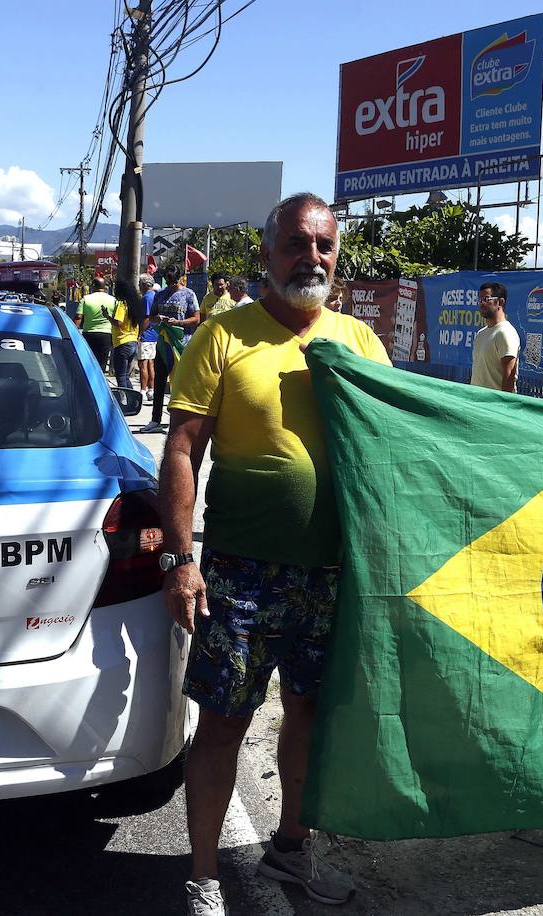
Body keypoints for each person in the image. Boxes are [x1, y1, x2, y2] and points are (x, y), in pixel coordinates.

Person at [163, 192, 389, 915]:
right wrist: (181, 559)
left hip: (333, 573)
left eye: (323, 245)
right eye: (296, 244)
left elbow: (394, 451)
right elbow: (181, 451)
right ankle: (203, 877)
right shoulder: (223, 337)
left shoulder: (360, 343)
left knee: (312, 714)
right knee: (225, 722)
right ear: (267, 255)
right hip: (241, 572)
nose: (311, 258)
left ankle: (291, 851)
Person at [138, 267, 200, 434]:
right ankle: (155, 419)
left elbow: (196, 319)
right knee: (159, 382)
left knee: (180, 385)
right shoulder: (160, 294)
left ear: (180, 278)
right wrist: (156, 319)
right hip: (162, 345)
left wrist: (179, 323)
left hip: (181, 346)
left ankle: (179, 421)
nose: (172, 284)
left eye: (174, 280)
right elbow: (151, 316)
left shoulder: (188, 294)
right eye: (169, 280)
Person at [470, 281, 520, 392]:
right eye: (480, 300)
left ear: (500, 302)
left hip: (494, 406)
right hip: (476, 403)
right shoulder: (481, 334)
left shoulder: (505, 332)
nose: (482, 303)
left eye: (487, 299)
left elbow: (509, 376)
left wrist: (501, 406)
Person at [77, 278, 116, 370]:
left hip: (89, 334)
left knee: (88, 361)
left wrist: (73, 331)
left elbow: (78, 317)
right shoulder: (113, 300)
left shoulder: (86, 299)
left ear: (93, 286)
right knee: (102, 363)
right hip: (106, 334)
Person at [106, 284, 139, 390]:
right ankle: (131, 397)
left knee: (120, 377)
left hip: (122, 342)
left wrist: (108, 317)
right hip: (133, 341)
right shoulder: (134, 305)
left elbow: (119, 322)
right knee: (125, 376)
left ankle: (123, 400)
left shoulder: (122, 304)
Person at [136, 273, 159, 403]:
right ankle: (151, 389)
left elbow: (146, 318)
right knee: (151, 363)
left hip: (147, 335)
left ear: (144, 285)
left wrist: (140, 333)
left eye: (140, 284)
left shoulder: (146, 298)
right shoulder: (156, 296)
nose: (139, 286)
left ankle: (143, 390)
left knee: (143, 363)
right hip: (155, 334)